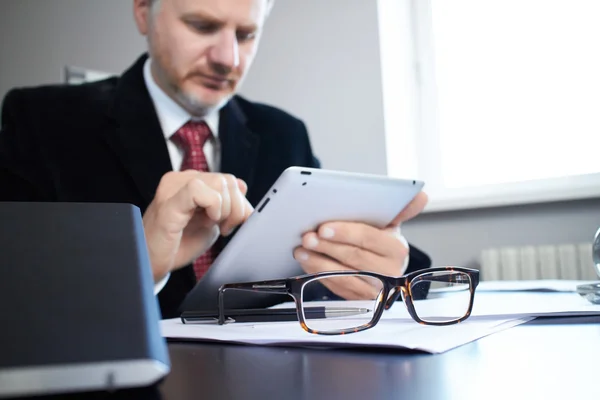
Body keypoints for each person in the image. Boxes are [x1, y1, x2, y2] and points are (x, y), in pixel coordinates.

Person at [0, 0, 431, 318]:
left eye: (246, 34)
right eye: (202, 26)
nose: (229, 59)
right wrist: (138, 263)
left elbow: (353, 269)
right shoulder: (43, 122)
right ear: (142, 12)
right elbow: (15, 293)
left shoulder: (284, 133)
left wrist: (386, 271)